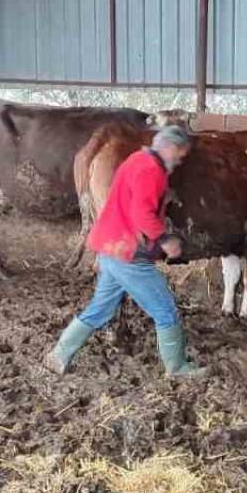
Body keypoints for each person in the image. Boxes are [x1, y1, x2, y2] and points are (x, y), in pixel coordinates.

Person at [43, 125, 207, 378]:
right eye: (180, 154)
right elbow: (142, 213)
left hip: (109, 247)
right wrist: (165, 239)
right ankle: (176, 368)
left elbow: (133, 198)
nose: (179, 160)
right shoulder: (153, 171)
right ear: (170, 148)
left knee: (100, 308)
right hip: (128, 253)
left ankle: (58, 355)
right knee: (165, 310)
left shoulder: (136, 159)